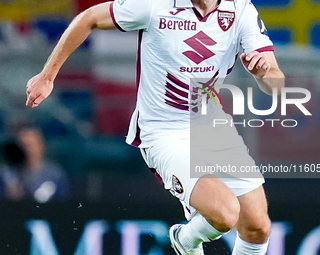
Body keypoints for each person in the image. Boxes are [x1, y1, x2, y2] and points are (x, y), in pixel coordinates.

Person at [25, 0, 284, 254]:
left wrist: (263, 72)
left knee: (257, 228)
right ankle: (185, 240)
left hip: (211, 125)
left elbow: (276, 83)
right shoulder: (154, 5)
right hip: (163, 132)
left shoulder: (241, 10)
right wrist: (47, 76)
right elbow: (89, 18)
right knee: (225, 214)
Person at [0, 128, 69, 202]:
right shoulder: (7, 175)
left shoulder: (55, 175)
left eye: (29, 145)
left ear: (40, 146)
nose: (25, 150)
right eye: (21, 146)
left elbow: (64, 204)